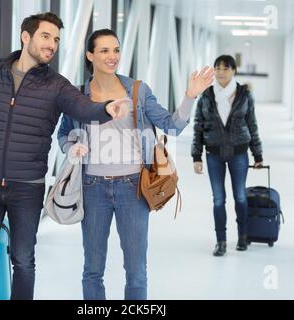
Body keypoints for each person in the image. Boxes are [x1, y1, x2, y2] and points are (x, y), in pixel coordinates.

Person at [0, 13, 130, 300]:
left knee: (23, 261)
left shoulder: (57, 85)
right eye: (46, 36)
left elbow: (83, 107)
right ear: (26, 37)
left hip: (27, 187)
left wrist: (105, 108)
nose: (52, 44)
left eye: (56, 39)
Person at [58, 29, 215, 300]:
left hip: (133, 187)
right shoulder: (78, 94)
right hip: (92, 187)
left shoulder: (137, 90)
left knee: (136, 270)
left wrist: (190, 96)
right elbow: (63, 134)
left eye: (116, 50)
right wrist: (73, 147)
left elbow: (172, 126)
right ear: (90, 55)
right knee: (92, 269)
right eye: (104, 50)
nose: (112, 56)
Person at [191, 55, 264, 257]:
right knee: (218, 200)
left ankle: (242, 236)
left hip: (239, 153)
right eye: (218, 68)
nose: (221, 72)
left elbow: (252, 124)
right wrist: (196, 156)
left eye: (225, 68)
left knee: (240, 197)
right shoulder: (206, 95)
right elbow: (198, 126)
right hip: (213, 153)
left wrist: (257, 154)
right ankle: (221, 241)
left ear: (233, 71)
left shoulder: (244, 95)